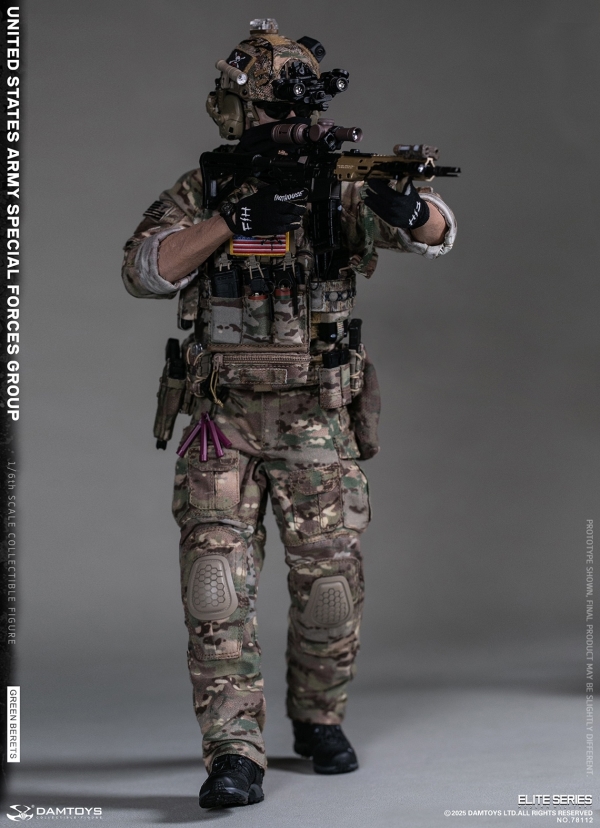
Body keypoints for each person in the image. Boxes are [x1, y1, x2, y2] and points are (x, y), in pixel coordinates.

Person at [121, 17, 456, 809]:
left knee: (329, 587)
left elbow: (441, 233)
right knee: (216, 590)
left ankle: (318, 716)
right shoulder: (205, 188)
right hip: (223, 419)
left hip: (315, 418)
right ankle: (233, 752)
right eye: (270, 112)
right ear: (238, 113)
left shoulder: (341, 185)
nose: (285, 126)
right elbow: (144, 269)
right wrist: (232, 224)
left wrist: (406, 207)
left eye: (294, 113)